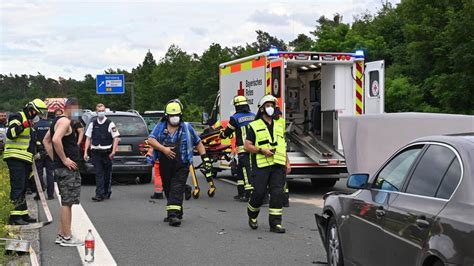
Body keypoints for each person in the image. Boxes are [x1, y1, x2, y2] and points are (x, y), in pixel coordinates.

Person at [147, 99, 212, 227]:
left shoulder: (187, 128)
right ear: (167, 116)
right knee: (168, 188)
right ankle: (177, 211)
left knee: (176, 188)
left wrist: (205, 158)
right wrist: (164, 149)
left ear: (180, 115)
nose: (174, 118)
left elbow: (198, 143)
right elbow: (151, 140)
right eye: (171, 115)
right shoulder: (160, 127)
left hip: (182, 163)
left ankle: (173, 215)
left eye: (176, 115)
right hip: (165, 163)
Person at [244, 95, 291, 234]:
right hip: (261, 165)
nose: (270, 108)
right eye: (268, 105)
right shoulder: (254, 125)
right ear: (262, 109)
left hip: (277, 164)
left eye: (272, 105)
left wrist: (287, 162)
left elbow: (283, 145)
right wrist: (261, 150)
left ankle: (275, 224)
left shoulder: (280, 123)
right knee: (259, 193)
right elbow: (247, 146)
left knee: (277, 193)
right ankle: (252, 214)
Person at [43, 97, 83, 246]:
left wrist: (55, 159)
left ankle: (61, 234)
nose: (77, 112)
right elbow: (55, 140)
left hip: (60, 168)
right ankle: (67, 236)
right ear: (70, 107)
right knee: (67, 203)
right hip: (67, 169)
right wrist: (64, 159)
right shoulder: (65, 121)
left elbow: (46, 140)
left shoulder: (56, 121)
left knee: (67, 202)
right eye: (76, 109)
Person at [4, 98, 47, 225]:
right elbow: (11, 133)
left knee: (23, 188)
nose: (36, 116)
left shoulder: (31, 123)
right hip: (15, 157)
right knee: (17, 187)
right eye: (36, 112)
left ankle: (23, 214)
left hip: (25, 159)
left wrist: (40, 149)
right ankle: (15, 217)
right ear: (30, 109)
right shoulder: (17, 116)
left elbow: (32, 140)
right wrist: (24, 125)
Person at [220, 95, 255, 202]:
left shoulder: (235, 118)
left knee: (246, 171)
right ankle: (241, 193)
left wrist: (222, 134)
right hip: (254, 148)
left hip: (243, 150)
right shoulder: (254, 116)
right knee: (240, 171)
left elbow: (227, 132)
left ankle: (248, 195)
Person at [83, 103, 120, 202]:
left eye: (102, 110)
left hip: (107, 153)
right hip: (96, 152)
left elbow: (116, 138)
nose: (101, 113)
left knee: (107, 174)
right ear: (96, 112)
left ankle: (107, 191)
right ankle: (99, 194)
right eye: (99, 111)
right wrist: (85, 152)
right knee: (99, 173)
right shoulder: (93, 124)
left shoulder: (110, 123)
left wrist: (113, 151)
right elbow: (88, 138)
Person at [34, 112, 55, 200]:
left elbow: (33, 140)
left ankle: (39, 194)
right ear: (46, 115)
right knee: (50, 173)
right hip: (49, 152)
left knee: (39, 173)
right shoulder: (51, 125)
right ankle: (50, 195)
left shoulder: (36, 126)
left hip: (39, 152)